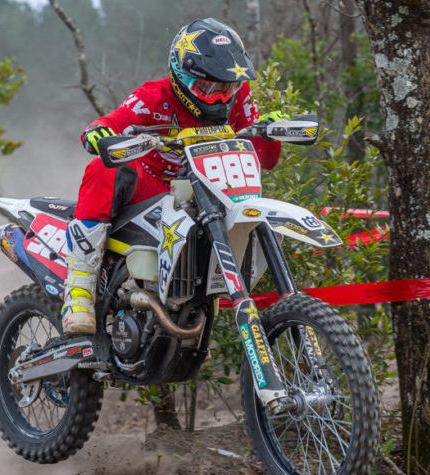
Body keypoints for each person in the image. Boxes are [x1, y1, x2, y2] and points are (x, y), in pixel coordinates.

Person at [61, 17, 285, 336]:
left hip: (211, 195)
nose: (221, 97)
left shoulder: (240, 93)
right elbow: (110, 122)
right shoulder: (153, 97)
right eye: (208, 88)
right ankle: (79, 292)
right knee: (104, 168)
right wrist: (98, 133)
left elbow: (267, 159)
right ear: (181, 76)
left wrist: (268, 132)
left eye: (227, 87)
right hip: (153, 191)